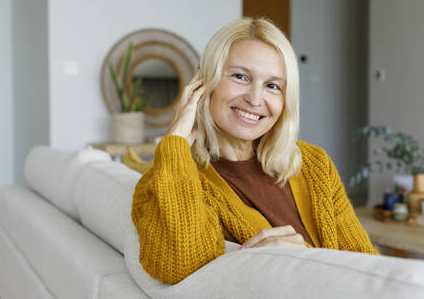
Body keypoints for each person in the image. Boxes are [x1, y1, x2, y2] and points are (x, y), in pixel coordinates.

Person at [131, 17, 378, 285]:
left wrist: (304, 260)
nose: (255, 99)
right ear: (204, 82)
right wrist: (175, 142)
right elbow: (179, 267)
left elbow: (366, 265)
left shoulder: (313, 163)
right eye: (240, 77)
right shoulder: (164, 180)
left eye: (273, 86)